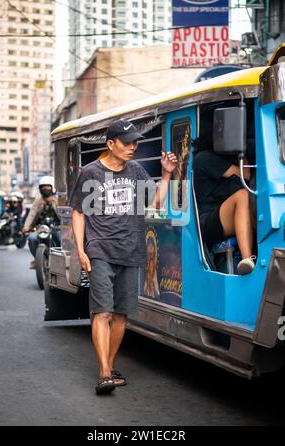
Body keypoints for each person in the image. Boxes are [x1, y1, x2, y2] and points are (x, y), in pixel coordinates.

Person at [70, 119, 177, 395]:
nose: (133, 147)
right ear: (110, 144)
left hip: (131, 250)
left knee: (121, 314)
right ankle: (105, 372)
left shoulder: (137, 171)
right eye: (127, 142)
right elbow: (79, 212)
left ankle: (110, 364)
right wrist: (81, 250)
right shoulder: (90, 172)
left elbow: (154, 203)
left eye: (135, 142)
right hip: (100, 249)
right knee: (102, 311)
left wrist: (166, 175)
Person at [192, 134, 255, 275]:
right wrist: (242, 149)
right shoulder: (205, 158)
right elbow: (246, 174)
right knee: (243, 196)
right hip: (207, 221)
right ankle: (247, 260)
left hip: (222, 216)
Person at [22, 176, 60, 269]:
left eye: (47, 187)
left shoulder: (59, 199)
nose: (45, 189)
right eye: (42, 187)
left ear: (53, 188)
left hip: (57, 228)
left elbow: (65, 214)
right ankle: (38, 259)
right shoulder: (38, 200)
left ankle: (60, 260)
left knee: (62, 239)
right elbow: (32, 213)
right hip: (41, 229)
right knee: (32, 238)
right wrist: (26, 226)